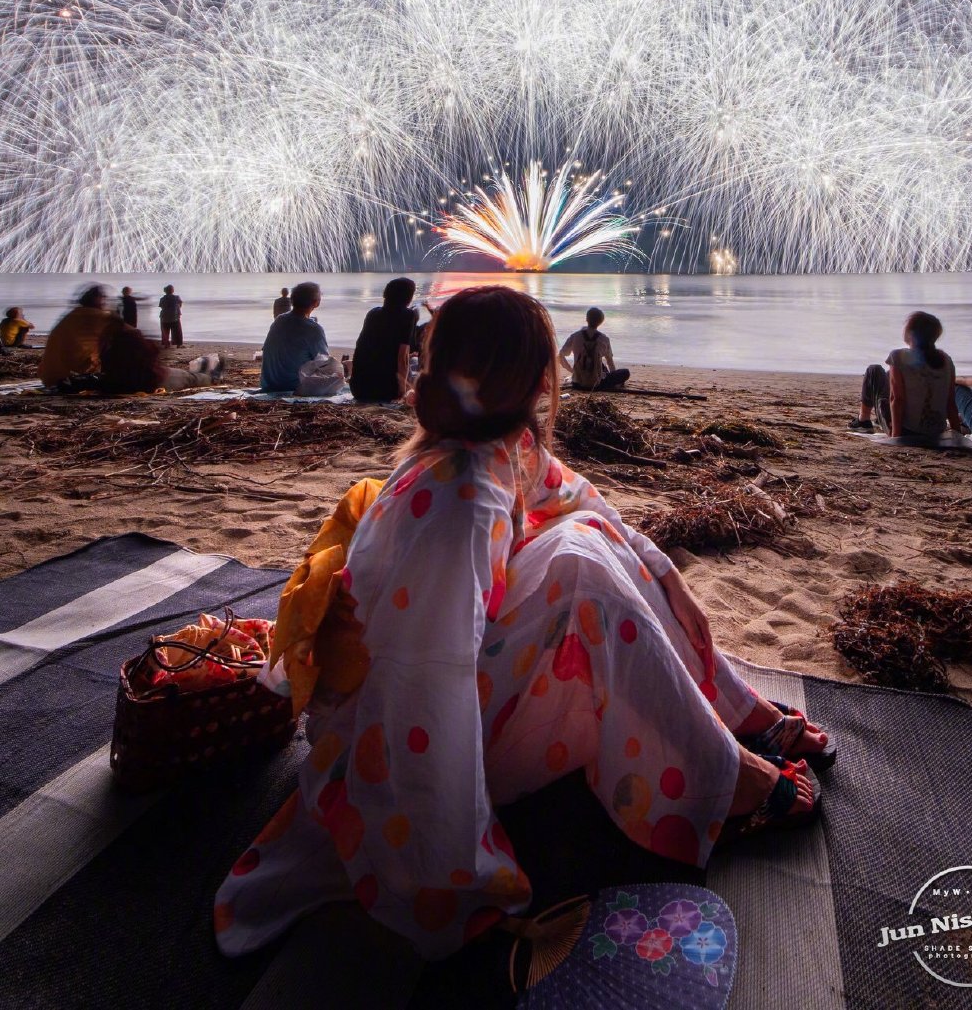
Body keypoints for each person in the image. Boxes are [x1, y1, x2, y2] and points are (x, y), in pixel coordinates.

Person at [216, 287, 828, 964]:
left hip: (446, 684)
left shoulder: (502, 449)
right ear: (541, 378)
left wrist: (719, 689)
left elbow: (604, 519)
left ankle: (731, 713)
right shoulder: (458, 498)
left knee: (594, 533)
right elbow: (424, 684)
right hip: (387, 743)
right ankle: (724, 781)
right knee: (586, 568)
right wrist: (458, 871)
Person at [851, 311, 962, 441]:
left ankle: (863, 420)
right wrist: (957, 436)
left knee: (874, 371)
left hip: (906, 430)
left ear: (911, 333)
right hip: (935, 431)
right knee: (888, 375)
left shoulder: (898, 357)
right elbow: (950, 403)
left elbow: (897, 399)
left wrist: (896, 436)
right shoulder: (946, 360)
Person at [261, 281, 350, 394]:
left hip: (269, 384)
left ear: (292, 300)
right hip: (294, 387)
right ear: (316, 303)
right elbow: (324, 363)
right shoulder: (314, 329)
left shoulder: (279, 320)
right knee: (348, 366)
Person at [349, 278, 419, 402]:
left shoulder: (372, 313)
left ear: (385, 294)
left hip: (358, 388)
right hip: (385, 391)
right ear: (409, 297)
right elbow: (402, 358)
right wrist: (402, 389)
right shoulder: (408, 315)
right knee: (415, 366)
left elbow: (361, 347)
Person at [39, 286, 112, 386]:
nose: (105, 302)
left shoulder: (73, 314)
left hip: (49, 377)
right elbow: (122, 332)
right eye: (103, 298)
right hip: (69, 380)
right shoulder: (97, 316)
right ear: (97, 299)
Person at [558, 307, 630, 391]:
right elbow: (610, 363)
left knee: (600, 364)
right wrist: (613, 378)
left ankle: (576, 375)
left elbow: (560, 355)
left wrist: (571, 370)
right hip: (596, 384)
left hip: (577, 383)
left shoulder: (575, 336)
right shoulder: (604, 339)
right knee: (625, 372)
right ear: (601, 322)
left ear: (586, 319)